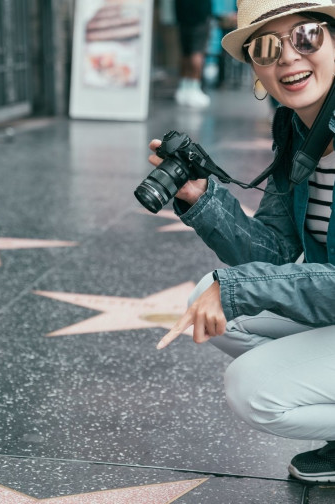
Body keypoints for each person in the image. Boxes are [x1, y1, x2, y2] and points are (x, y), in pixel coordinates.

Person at [149, 0, 335, 483]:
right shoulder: (298, 130)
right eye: (267, 47)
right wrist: (204, 198)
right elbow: (273, 249)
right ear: (256, 68)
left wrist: (235, 288)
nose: (288, 58)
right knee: (205, 300)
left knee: (252, 387)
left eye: (307, 36)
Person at [174, 0, 212, 108]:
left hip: (183, 17)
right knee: (197, 53)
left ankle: (184, 87)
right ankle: (194, 88)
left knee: (185, 53)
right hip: (199, 17)